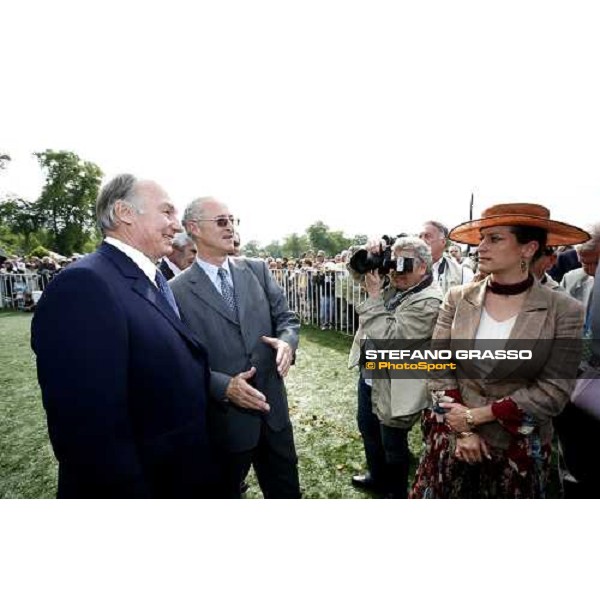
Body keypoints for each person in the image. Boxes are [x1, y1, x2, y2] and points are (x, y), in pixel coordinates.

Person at [31, 174, 216, 498]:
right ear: (125, 213)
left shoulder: (148, 278)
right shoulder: (84, 286)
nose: (177, 226)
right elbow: (89, 435)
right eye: (167, 212)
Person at [411, 203, 588, 499]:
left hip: (516, 454)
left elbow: (554, 391)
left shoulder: (565, 311)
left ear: (528, 248)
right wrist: (464, 431)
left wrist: (476, 416)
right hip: (453, 444)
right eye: (482, 238)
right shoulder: (457, 299)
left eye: (494, 239)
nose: (480, 247)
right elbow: (438, 367)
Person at [171, 196, 301, 499]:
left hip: (274, 414)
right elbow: (179, 358)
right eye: (221, 221)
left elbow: (287, 318)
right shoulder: (176, 291)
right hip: (223, 424)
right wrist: (221, 385)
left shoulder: (257, 269)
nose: (230, 227)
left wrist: (287, 342)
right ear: (194, 228)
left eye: (232, 220)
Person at [352, 237, 443, 498]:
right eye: (394, 263)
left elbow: (392, 338)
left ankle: (394, 493)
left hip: (398, 383)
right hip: (371, 376)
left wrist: (373, 297)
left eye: (405, 265)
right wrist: (370, 256)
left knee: (392, 443)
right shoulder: (398, 285)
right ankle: (376, 477)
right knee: (368, 430)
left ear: (423, 268)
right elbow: (359, 274)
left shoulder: (429, 301)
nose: (396, 271)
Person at [419, 220, 474, 294]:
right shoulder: (406, 268)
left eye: (428, 236)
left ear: (443, 242)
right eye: (420, 237)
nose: (421, 241)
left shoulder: (464, 274)